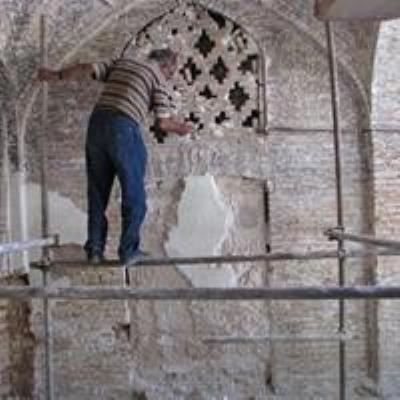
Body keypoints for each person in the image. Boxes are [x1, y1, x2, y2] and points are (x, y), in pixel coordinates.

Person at [38, 48, 192, 265]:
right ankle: (129, 251)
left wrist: (57, 75)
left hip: (97, 124)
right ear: (166, 65)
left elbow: (86, 68)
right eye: (172, 71)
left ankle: (95, 250)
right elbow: (163, 123)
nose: (171, 75)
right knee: (134, 195)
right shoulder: (158, 77)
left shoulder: (124, 63)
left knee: (97, 192)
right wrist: (183, 128)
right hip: (124, 127)